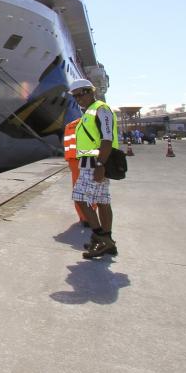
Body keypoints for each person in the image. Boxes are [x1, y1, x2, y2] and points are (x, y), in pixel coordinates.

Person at [68, 79, 120, 259]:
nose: (78, 99)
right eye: (75, 97)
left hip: (97, 162)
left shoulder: (101, 109)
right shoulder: (89, 112)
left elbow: (107, 139)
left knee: (80, 198)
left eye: (80, 94)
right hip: (90, 162)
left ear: (90, 91)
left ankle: (100, 237)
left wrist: (100, 165)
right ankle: (107, 240)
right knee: (102, 200)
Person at [63, 116, 92, 226]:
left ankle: (82, 216)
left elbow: (66, 144)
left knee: (78, 189)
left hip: (73, 160)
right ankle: (89, 218)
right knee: (89, 189)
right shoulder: (90, 124)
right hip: (87, 158)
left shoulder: (69, 125)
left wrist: (68, 159)